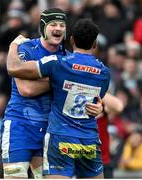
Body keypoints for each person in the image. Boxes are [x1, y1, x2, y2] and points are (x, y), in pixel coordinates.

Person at [6, 18, 110, 178]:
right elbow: (94, 99)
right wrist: (99, 107)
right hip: (88, 140)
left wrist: (14, 46)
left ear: (72, 40)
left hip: (61, 137)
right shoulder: (104, 72)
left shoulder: (59, 64)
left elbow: (14, 69)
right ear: (95, 44)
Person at [1, 8, 69, 179]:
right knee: (16, 177)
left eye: (62, 25)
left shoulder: (67, 57)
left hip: (50, 130)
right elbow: (26, 89)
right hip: (20, 125)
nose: (58, 28)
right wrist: (60, 80)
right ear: (43, 26)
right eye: (53, 24)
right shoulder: (27, 49)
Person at [97, 93, 124, 178]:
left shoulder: (99, 97)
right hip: (76, 157)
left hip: (102, 160)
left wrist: (96, 89)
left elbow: (119, 107)